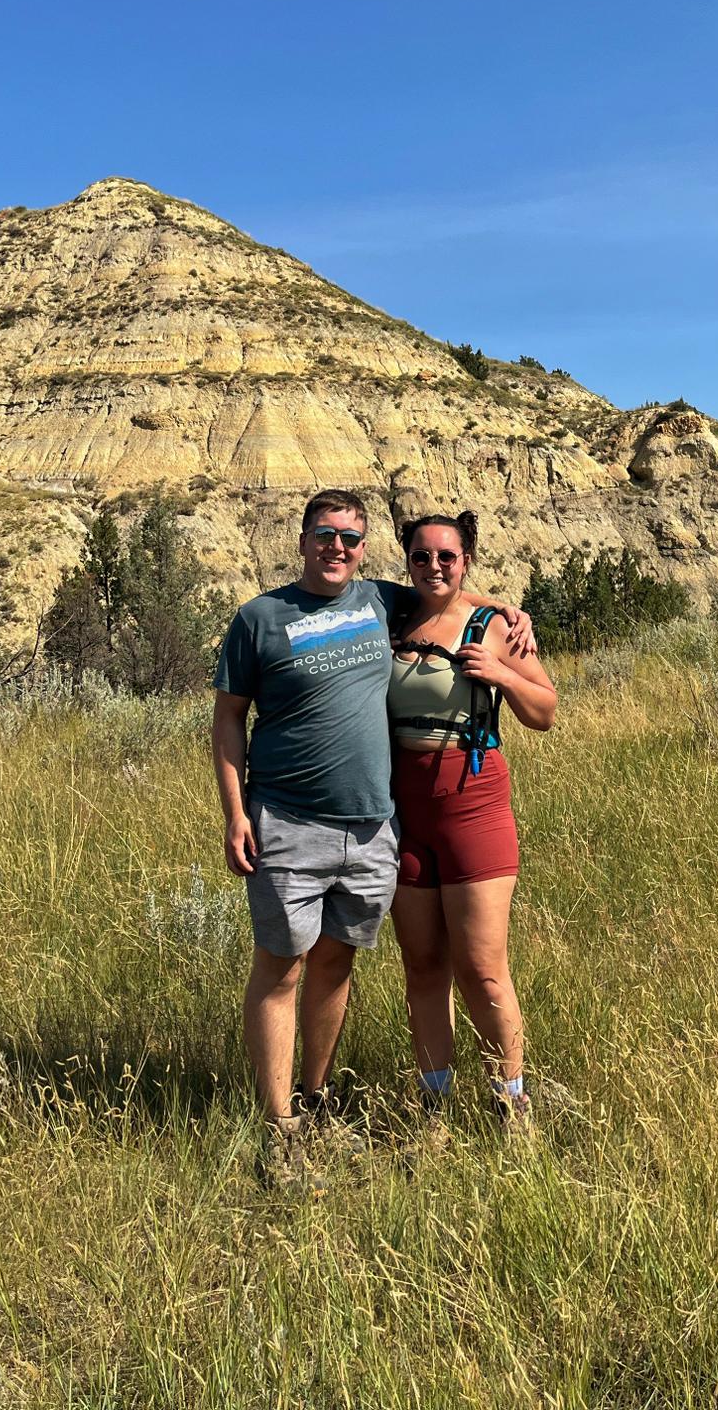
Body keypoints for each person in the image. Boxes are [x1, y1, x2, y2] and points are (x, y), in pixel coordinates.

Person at [210, 488, 530, 1171]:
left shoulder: (382, 600)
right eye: (325, 535)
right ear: (302, 539)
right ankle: (282, 1127)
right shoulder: (264, 618)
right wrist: (235, 813)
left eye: (351, 539)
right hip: (289, 821)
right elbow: (229, 717)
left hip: (378, 825)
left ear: (363, 550)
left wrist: (510, 615)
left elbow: (453, 594)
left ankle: (321, 1100)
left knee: (343, 963)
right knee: (284, 968)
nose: (337, 548)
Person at [387, 510, 556, 1130]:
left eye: (448, 557)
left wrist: (504, 672)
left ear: (467, 561)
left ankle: (511, 1102)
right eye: (422, 556)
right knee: (423, 966)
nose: (434, 566)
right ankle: (432, 1107)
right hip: (405, 807)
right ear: (406, 562)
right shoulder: (392, 618)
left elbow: (545, 711)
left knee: (482, 966)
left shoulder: (491, 629)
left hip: (472, 800)